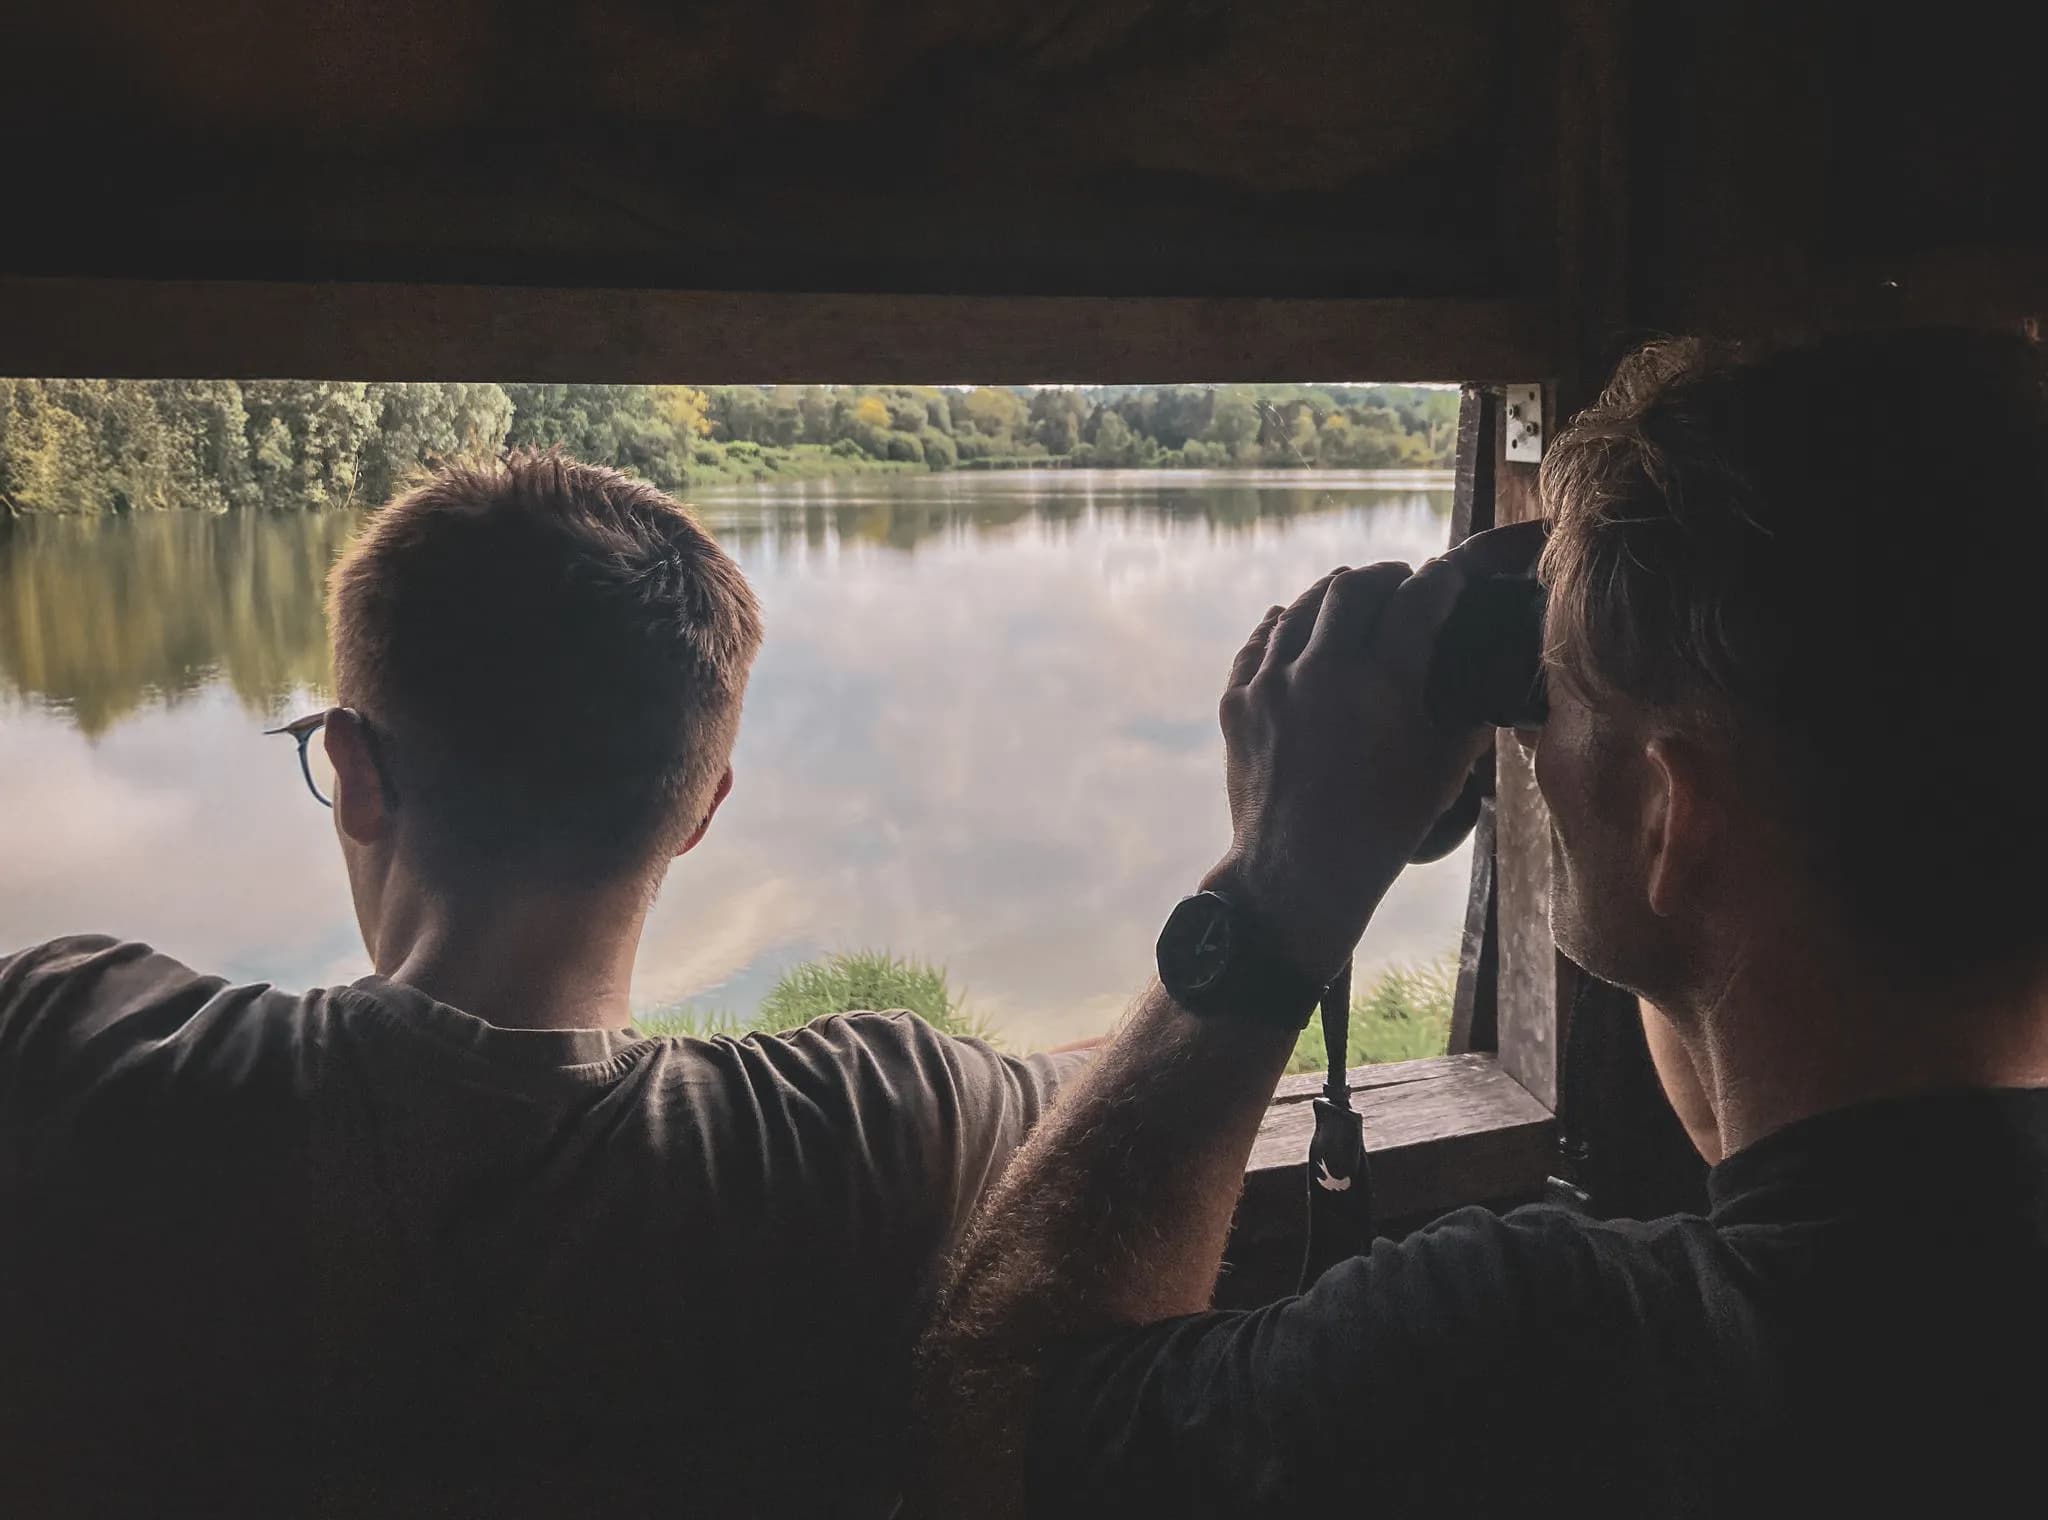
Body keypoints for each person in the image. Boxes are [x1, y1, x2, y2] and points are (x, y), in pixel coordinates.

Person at [918, 328, 2048, 1517]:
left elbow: (994, 1432)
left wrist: (1276, 891)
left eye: (1549, 703)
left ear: (1669, 814)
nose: (1527, 746)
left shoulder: (1534, 1356)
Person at [0, 452, 1088, 1515]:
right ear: (700, 810)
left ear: (354, 776)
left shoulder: (64, 1045)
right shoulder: (886, 1125)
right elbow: (1126, 1101)